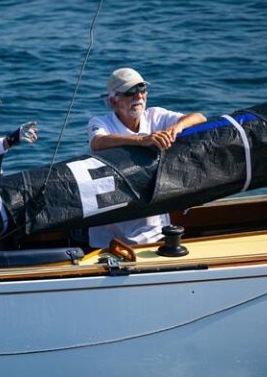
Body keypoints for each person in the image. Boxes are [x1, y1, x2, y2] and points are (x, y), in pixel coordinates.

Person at [87, 67, 206, 248]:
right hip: (111, 239)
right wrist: (142, 140)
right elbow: (98, 142)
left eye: (141, 89)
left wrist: (175, 128)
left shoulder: (156, 116)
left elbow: (199, 118)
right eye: (130, 92)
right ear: (113, 101)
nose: (138, 96)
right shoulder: (100, 123)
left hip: (156, 232)